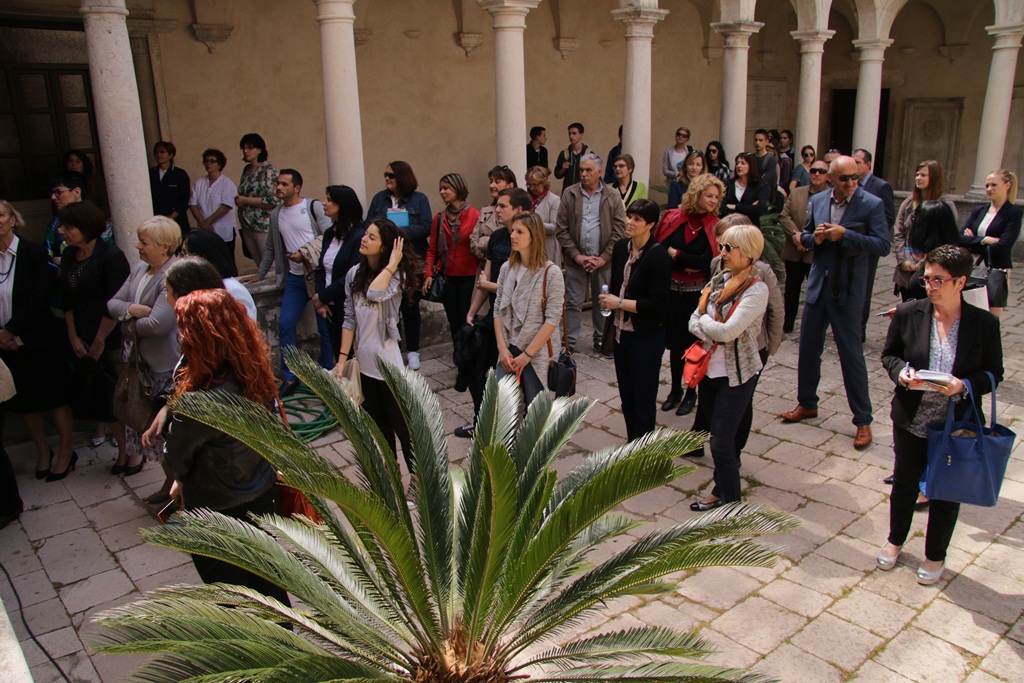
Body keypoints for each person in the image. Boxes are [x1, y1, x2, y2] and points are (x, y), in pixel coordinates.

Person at [877, 245, 1003, 585]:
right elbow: (889, 356)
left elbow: (994, 373)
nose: (929, 286)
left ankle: (935, 556)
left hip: (955, 424)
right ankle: (895, 540)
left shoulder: (984, 324)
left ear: (960, 282)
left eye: (938, 280)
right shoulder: (909, 313)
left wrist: (963, 385)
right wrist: (901, 373)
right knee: (904, 484)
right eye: (926, 278)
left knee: (946, 492)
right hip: (912, 418)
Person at [163, 288, 290, 605]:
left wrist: (179, 477)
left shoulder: (199, 403)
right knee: (270, 582)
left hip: (216, 507)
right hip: (262, 494)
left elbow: (176, 456)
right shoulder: (254, 372)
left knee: (232, 597)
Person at [779, 155, 890, 449]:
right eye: (844, 178)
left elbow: (883, 245)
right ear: (830, 178)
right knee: (808, 348)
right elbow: (805, 236)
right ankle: (807, 403)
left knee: (851, 355)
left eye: (855, 177)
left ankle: (863, 420)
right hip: (819, 285)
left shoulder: (871, 204)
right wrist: (813, 238)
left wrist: (846, 235)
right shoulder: (818, 201)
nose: (851, 183)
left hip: (849, 289)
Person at [685, 214, 783, 460]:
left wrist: (771, 345)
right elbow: (703, 309)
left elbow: (776, 309)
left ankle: (733, 452)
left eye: (728, 243)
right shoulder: (718, 265)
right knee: (710, 400)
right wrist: (708, 327)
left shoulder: (761, 274)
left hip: (749, 348)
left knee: (740, 405)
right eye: (720, 239)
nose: (722, 247)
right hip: (714, 350)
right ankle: (700, 441)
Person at [687, 223, 770, 510]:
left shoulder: (756, 290)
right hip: (710, 371)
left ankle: (733, 507)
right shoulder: (720, 280)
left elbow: (727, 332)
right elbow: (692, 320)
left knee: (721, 445)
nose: (722, 252)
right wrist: (709, 325)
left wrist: (705, 323)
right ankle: (719, 491)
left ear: (748, 253)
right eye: (721, 246)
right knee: (721, 440)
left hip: (737, 376)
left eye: (728, 248)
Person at [333, 219, 421, 473]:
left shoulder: (397, 277)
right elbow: (349, 319)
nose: (364, 238)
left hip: (388, 365)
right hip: (364, 363)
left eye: (372, 237)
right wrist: (341, 361)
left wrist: (392, 264)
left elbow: (374, 293)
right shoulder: (354, 274)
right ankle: (392, 472)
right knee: (379, 425)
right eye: (366, 234)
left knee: (402, 427)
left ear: (385, 247)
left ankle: (417, 479)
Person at [0, 200, 75, 482]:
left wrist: (11, 331)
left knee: (55, 397)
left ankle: (66, 451)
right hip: (7, 345)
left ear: (12, 219)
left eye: (0, 215)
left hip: (38, 339)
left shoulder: (32, 252)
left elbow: (38, 298)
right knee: (24, 403)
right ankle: (43, 452)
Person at [59, 200, 130, 480]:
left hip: (110, 336)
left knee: (122, 395)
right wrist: (73, 335)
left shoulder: (111, 256)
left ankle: (133, 451)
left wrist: (100, 339)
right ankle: (122, 449)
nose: (62, 231)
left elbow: (116, 301)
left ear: (86, 227)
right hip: (82, 335)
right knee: (103, 397)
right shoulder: (69, 255)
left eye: (68, 226)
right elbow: (66, 299)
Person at [106, 216, 181, 484]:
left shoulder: (173, 274)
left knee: (166, 431)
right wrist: (131, 309)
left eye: (144, 242)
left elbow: (157, 324)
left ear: (164, 246)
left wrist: (125, 324)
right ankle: (167, 483)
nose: (138, 246)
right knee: (149, 428)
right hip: (140, 365)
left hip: (164, 366)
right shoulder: (140, 269)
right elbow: (112, 304)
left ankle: (178, 489)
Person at [248, 168, 333, 395]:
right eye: (277, 183)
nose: (278, 187)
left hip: (317, 276)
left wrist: (304, 253)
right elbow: (270, 247)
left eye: (284, 184)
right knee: (286, 324)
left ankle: (327, 371)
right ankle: (290, 375)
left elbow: (329, 236)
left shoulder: (313, 207)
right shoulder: (276, 214)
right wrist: (260, 274)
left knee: (324, 326)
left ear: (297, 188)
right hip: (295, 278)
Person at [459, 187, 532, 437]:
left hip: (520, 325)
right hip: (495, 317)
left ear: (518, 210)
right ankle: (480, 423)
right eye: (497, 205)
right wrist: (472, 312)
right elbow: (485, 278)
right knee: (477, 369)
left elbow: (522, 289)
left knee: (518, 382)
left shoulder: (529, 242)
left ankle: (519, 433)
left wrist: (490, 285)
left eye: (502, 206)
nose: (496, 210)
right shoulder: (498, 236)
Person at [598, 199, 671, 442]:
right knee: (627, 396)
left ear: (650, 224)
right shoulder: (621, 247)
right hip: (621, 334)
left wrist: (619, 303)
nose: (630, 222)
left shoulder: (659, 256)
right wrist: (610, 302)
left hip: (645, 337)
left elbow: (657, 305)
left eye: (637, 219)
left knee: (643, 399)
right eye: (629, 216)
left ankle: (644, 450)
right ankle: (633, 444)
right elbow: (618, 284)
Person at [655, 174, 724, 417]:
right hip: (672, 291)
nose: (713, 200)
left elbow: (708, 261)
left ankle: (691, 392)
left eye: (716, 197)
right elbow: (660, 248)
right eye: (709, 195)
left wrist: (678, 255)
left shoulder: (715, 225)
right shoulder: (674, 217)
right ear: (696, 194)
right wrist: (685, 259)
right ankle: (675, 390)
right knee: (675, 346)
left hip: (697, 294)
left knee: (693, 345)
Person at [555, 152, 627, 353]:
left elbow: (619, 231)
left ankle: (601, 340)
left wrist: (603, 258)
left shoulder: (612, 195)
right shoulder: (570, 193)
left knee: (602, 301)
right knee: (573, 302)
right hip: (576, 259)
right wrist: (576, 255)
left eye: (588, 170)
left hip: (603, 260)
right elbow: (561, 228)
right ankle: (568, 342)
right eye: (581, 170)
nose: (584, 174)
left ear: (599, 172)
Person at [364, 161, 432, 370]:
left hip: (410, 261)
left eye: (391, 175)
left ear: (402, 177)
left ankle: (413, 350)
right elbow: (369, 224)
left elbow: (425, 227)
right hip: (385, 263)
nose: (387, 178)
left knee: (410, 307)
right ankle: (394, 349)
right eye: (385, 175)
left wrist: (395, 233)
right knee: (388, 308)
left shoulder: (419, 199)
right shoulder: (379, 199)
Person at [493, 212, 564, 407]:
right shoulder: (507, 268)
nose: (512, 235)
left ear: (534, 236)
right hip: (508, 350)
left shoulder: (551, 273)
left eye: (519, 232)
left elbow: (552, 319)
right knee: (502, 408)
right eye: (512, 230)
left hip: (537, 353)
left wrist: (527, 355)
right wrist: (502, 348)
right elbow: (498, 310)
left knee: (536, 411)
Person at [425, 173, 481, 341]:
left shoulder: (475, 216)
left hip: (469, 276)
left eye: (446, 188)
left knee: (467, 319)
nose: (442, 192)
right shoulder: (439, 218)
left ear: (458, 188)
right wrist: (428, 273)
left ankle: (468, 351)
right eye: (441, 188)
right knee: (453, 320)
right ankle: (458, 351)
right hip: (448, 277)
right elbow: (432, 249)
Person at [961, 169, 1022, 317]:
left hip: (996, 269)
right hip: (972, 267)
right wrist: (984, 240)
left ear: (1007, 185)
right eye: (987, 185)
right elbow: (959, 238)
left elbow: (1003, 246)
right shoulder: (979, 210)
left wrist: (972, 242)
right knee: (968, 313)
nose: (989, 189)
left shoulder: (1013, 213)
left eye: (994, 185)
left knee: (991, 317)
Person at [313, 185, 365, 355]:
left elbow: (352, 275)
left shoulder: (359, 236)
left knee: (353, 355)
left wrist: (322, 296)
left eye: (329, 200)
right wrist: (321, 299)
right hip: (330, 306)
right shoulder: (330, 234)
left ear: (342, 205)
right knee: (339, 355)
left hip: (349, 306)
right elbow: (321, 268)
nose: (324, 203)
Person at [779, 159, 828, 332]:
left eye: (821, 171)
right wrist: (797, 237)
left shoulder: (831, 196)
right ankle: (788, 324)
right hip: (794, 251)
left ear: (827, 176)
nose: (817, 174)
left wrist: (808, 241)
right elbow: (784, 217)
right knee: (791, 290)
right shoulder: (796, 193)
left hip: (815, 253)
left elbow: (828, 222)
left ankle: (814, 327)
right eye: (813, 171)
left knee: (816, 292)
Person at [852, 149, 896, 339]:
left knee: (863, 289)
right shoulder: (850, 184)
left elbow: (888, 218)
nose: (854, 166)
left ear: (868, 164)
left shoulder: (880, 187)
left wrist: (868, 237)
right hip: (850, 247)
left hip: (868, 248)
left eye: (857, 162)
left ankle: (859, 330)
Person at [182, 230, 257, 320]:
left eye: (185, 253)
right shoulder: (202, 288)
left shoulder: (231, 289)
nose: (181, 259)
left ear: (202, 256)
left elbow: (246, 325)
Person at [188, 148, 238, 276]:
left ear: (220, 164)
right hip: (205, 229)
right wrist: (202, 221)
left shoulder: (227, 183)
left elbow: (226, 206)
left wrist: (208, 221)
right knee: (208, 262)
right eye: (206, 161)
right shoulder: (199, 183)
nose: (208, 163)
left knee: (226, 262)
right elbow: (192, 204)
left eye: (212, 161)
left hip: (223, 230)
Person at [45, 175, 114, 266]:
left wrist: (64, 261)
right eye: (51, 193)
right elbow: (46, 256)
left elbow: (102, 257)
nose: (53, 197)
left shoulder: (98, 221)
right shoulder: (55, 223)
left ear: (77, 192)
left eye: (58, 192)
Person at [234, 133, 278, 266]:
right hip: (247, 225)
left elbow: (273, 200)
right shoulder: (246, 170)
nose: (245, 151)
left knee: (269, 265)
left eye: (249, 148)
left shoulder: (268, 170)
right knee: (259, 265)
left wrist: (245, 200)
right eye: (243, 148)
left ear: (259, 149)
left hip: (263, 226)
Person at [470, 165, 517, 260]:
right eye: (491, 182)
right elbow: (473, 241)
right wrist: (490, 258)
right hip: (485, 265)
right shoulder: (485, 210)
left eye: (497, 182)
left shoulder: (517, 211)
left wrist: (486, 241)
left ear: (510, 185)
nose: (491, 186)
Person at [149, 141, 191, 240]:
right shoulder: (150, 174)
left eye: (162, 152)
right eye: (156, 152)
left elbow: (185, 199)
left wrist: (171, 217)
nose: (159, 155)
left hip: (177, 220)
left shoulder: (180, 174)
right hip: (156, 220)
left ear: (171, 155)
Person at [525, 165, 561, 266]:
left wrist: (532, 222)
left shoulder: (554, 200)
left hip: (547, 248)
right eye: (529, 184)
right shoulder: (525, 198)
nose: (532, 188)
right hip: (528, 247)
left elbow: (554, 227)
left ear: (544, 183)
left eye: (535, 184)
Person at [721, 152, 769, 220]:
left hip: (750, 224)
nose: (739, 166)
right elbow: (721, 208)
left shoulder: (760, 186)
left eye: (743, 163)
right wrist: (749, 208)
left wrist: (735, 207)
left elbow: (760, 209)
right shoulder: (727, 184)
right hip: (730, 223)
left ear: (751, 166)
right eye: (737, 163)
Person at [65, 149, 107, 215]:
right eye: (70, 161)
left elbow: (105, 204)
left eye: (78, 161)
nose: (73, 164)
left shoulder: (95, 181)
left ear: (84, 164)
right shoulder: (62, 182)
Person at [554, 122, 589, 192]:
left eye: (574, 133)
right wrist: (563, 169)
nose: (571, 136)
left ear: (581, 135)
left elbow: (594, 175)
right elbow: (557, 174)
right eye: (569, 133)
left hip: (583, 192)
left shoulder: (588, 154)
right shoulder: (565, 153)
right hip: (568, 192)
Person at [752, 129, 778, 194]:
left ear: (766, 142)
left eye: (760, 140)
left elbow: (766, 178)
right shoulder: (750, 158)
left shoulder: (771, 159)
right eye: (755, 140)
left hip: (765, 193)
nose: (757, 143)